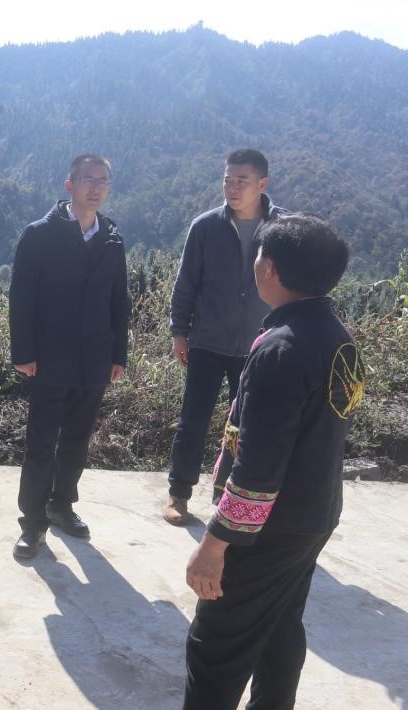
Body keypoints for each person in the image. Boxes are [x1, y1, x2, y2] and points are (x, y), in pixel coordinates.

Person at [183, 214, 362, 709]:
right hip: (314, 514)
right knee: (279, 628)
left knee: (216, 646)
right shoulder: (336, 335)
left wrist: (215, 544)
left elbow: (258, 471)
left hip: (269, 529)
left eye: (259, 255)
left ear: (271, 269)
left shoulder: (281, 349)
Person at [8, 154, 131, 559]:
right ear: (69, 185)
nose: (95, 187)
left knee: (78, 439)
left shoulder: (111, 237)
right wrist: (24, 351)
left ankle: (61, 506)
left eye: (103, 180)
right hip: (51, 356)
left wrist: (118, 354)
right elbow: (22, 297)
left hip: (95, 357)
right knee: (41, 442)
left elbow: (119, 300)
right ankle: (32, 523)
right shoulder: (40, 234)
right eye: (87, 179)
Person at [164, 149, 287, 525]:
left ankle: (233, 500)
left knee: (249, 427)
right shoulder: (205, 227)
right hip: (207, 341)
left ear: (262, 183)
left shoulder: (282, 228)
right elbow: (186, 283)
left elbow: (296, 286)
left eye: (241, 181)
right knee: (193, 420)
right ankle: (178, 494)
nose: (232, 188)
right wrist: (179, 332)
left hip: (260, 346)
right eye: (228, 180)